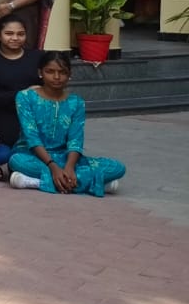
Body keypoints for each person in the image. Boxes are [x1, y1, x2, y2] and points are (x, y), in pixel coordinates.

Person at [8, 52, 126, 196]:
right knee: (16, 161)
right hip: (32, 154)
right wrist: (53, 167)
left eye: (62, 72)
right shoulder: (25, 97)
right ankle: (93, 183)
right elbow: (32, 138)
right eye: (50, 71)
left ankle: (36, 182)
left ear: (69, 74)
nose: (56, 77)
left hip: (65, 157)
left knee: (117, 168)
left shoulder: (76, 102)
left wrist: (69, 168)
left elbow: (75, 140)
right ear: (40, 73)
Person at [0, 17, 43, 147]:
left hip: (37, 110)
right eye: (9, 33)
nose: (15, 38)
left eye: (20, 34)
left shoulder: (37, 57)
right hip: (5, 113)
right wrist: (24, 94)